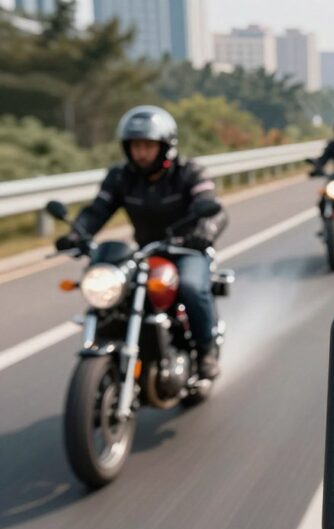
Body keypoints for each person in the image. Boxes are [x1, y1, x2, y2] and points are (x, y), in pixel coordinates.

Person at [55, 106, 227, 379]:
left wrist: (203, 232)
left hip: (186, 249)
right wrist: (77, 234)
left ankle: (205, 351)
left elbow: (212, 208)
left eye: (148, 145)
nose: (141, 152)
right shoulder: (121, 177)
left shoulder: (190, 172)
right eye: (136, 145)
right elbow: (98, 210)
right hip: (145, 252)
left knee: (193, 287)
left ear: (165, 146)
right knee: (113, 294)